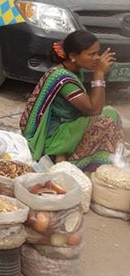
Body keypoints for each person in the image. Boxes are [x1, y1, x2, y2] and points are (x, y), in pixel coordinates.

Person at [20, 30, 124, 171]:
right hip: (52, 138)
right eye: (91, 54)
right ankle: (75, 163)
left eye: (97, 53)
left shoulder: (72, 69)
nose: (97, 58)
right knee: (107, 117)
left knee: (110, 115)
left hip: (65, 128)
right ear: (73, 56)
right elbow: (94, 109)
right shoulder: (63, 78)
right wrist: (99, 74)